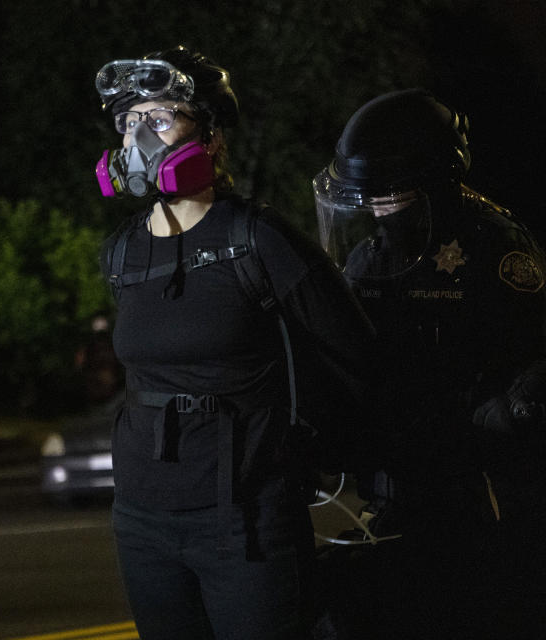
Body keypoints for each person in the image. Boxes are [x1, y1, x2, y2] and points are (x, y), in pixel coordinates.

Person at [92, 46, 374, 640]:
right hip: (142, 521)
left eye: (161, 118)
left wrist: (327, 460)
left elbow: (354, 354)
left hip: (245, 518)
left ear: (212, 137)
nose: (139, 135)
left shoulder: (259, 238)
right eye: (128, 121)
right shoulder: (122, 250)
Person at [312, 88, 546, 640]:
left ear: (432, 186)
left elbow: (525, 375)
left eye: (385, 194)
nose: (371, 207)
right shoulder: (373, 255)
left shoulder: (499, 250)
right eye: (363, 196)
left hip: (492, 499)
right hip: (404, 493)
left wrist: (498, 407)